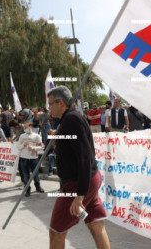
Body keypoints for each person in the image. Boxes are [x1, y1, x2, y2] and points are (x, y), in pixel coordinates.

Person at [47, 86, 110, 249]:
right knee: (96, 224)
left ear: (60, 103)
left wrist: (79, 195)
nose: (49, 107)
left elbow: (84, 157)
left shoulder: (71, 119)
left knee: (56, 231)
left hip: (78, 183)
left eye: (50, 103)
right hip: (88, 179)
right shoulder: (69, 119)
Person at [17, 120, 44, 197]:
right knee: (25, 175)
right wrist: (23, 144)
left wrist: (34, 148)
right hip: (23, 158)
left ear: (30, 126)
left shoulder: (36, 136)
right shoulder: (22, 136)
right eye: (24, 127)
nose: (25, 128)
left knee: (35, 174)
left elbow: (41, 147)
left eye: (26, 127)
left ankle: (38, 187)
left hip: (33, 158)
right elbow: (18, 147)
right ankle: (27, 189)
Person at [9, 119, 25, 187]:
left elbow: (29, 135)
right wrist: (14, 138)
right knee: (20, 167)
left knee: (23, 167)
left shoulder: (24, 127)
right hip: (19, 149)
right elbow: (18, 136)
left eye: (12, 127)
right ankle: (22, 181)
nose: (12, 129)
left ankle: (25, 182)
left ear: (16, 126)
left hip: (24, 150)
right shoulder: (17, 129)